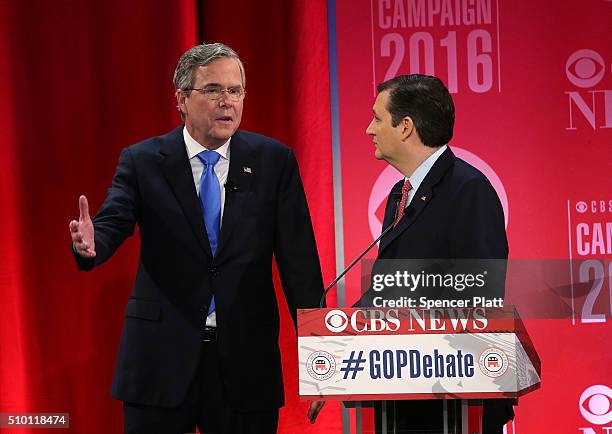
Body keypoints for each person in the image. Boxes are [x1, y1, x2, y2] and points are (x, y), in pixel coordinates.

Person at [69, 43, 325, 434]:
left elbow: (300, 265)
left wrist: (321, 357)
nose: (227, 101)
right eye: (213, 90)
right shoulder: (143, 161)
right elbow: (113, 221)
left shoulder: (274, 161)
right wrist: (92, 243)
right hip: (160, 360)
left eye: (235, 90)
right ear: (182, 99)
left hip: (244, 362)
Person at [358, 74, 513, 433]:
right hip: (404, 391)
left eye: (378, 118)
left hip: (457, 396)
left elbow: (483, 294)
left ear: (406, 127)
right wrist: (341, 340)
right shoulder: (401, 193)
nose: (369, 129)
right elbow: (388, 285)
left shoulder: (468, 189)